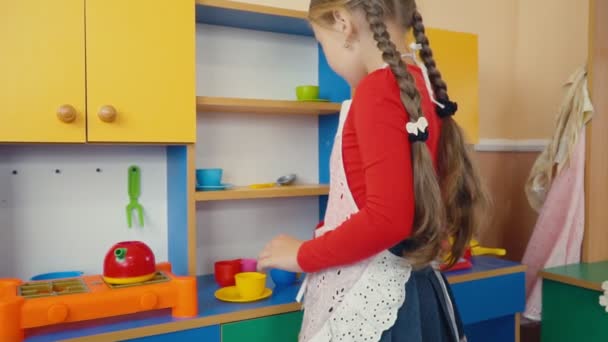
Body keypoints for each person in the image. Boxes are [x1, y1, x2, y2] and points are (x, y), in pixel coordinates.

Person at [258, 0, 488, 341]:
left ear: (342, 22)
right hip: (416, 291)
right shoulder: (418, 86)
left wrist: (301, 254)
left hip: (382, 303)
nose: (328, 59)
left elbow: (388, 219)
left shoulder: (377, 91)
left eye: (322, 45)